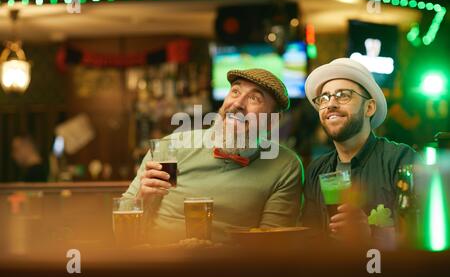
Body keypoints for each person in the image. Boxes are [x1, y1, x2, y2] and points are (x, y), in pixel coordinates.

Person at [122, 68, 303, 244]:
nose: (238, 103)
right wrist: (141, 199)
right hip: (157, 262)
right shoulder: (170, 147)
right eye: (235, 91)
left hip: (230, 270)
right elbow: (121, 233)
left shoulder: (285, 166)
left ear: (272, 122)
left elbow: (270, 246)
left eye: (254, 98)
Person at [301, 58, 418, 246]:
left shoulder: (400, 159)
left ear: (369, 107)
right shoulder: (317, 169)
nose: (330, 104)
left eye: (343, 95)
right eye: (324, 98)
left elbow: (420, 235)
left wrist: (371, 234)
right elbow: (310, 237)